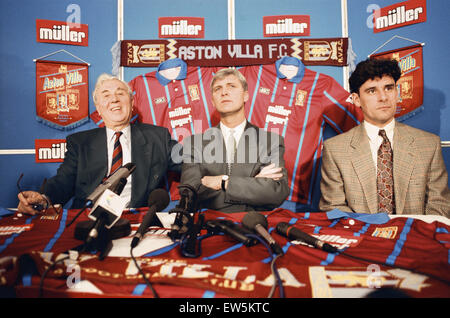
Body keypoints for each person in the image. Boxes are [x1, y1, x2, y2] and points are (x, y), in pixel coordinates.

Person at [17, 73, 180, 214]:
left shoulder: (157, 137)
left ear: (131, 103)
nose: (114, 99)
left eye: (120, 93)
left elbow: (190, 161)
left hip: (135, 218)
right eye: (106, 95)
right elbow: (64, 181)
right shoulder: (80, 143)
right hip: (87, 217)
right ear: (99, 109)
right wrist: (43, 198)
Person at [319, 58, 450, 216]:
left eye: (389, 88)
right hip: (362, 237)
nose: (383, 97)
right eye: (372, 91)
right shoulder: (335, 150)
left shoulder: (429, 145)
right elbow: (334, 208)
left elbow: (440, 206)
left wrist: (409, 234)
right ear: (356, 99)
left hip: (414, 237)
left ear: (397, 92)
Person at [180, 68, 290, 212]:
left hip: (251, 228)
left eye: (231, 86)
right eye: (217, 89)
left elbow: (276, 192)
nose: (224, 92)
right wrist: (253, 188)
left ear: (245, 95)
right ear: (213, 101)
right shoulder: (194, 144)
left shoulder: (271, 141)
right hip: (208, 225)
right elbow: (189, 193)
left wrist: (224, 182)